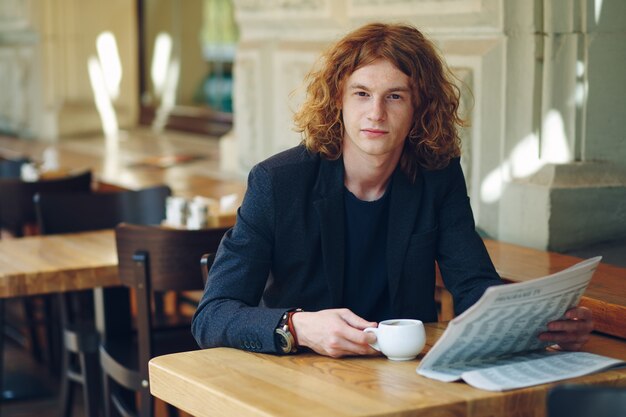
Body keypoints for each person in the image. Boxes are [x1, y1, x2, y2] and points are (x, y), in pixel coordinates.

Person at [191, 22, 593, 358]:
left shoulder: (438, 176)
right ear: (338, 101)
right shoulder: (278, 182)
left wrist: (537, 326)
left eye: (395, 96)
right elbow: (212, 314)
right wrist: (298, 326)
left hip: (401, 377)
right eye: (362, 94)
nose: (376, 113)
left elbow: (472, 286)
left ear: (420, 108)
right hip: (301, 375)